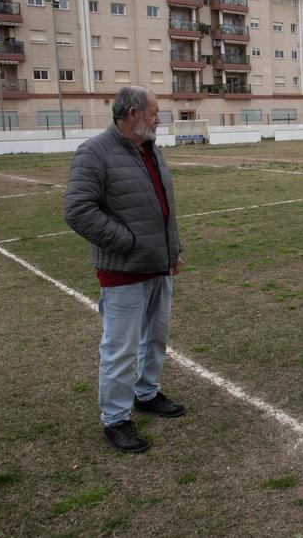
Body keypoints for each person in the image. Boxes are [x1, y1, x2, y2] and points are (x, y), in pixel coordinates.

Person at [64, 86, 185, 453]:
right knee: (120, 348)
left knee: (156, 337)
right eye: (153, 112)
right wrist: (128, 242)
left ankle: (146, 393)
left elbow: (164, 207)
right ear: (132, 113)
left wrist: (171, 251)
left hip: (158, 266)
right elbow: (78, 211)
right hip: (123, 272)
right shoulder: (94, 152)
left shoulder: (150, 149)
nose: (158, 119)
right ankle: (115, 419)